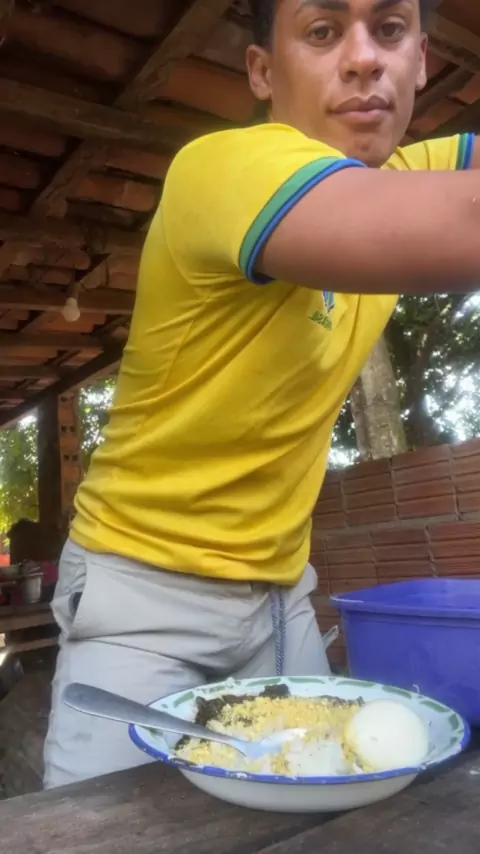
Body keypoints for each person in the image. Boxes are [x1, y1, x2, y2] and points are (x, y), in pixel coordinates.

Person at [44, 0, 480, 788]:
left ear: (420, 58)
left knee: (320, 819)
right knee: (96, 830)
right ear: (263, 71)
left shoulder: (403, 179)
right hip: (142, 592)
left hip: (282, 600)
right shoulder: (223, 169)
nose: (363, 58)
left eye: (388, 30)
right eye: (322, 32)